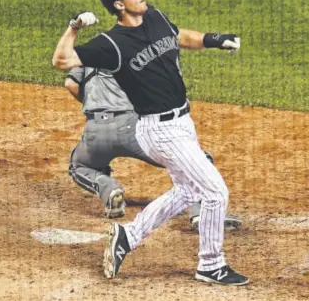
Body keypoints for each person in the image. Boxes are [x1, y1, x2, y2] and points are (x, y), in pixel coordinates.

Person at [52, 0, 248, 285]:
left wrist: (213, 39)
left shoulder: (155, 17)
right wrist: (74, 27)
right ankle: (211, 264)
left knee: (188, 191)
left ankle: (127, 237)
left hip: (183, 123)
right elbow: (62, 61)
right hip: (158, 131)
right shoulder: (111, 44)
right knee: (215, 192)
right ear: (119, 4)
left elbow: (178, 36)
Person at [65, 66, 241, 231]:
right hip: (133, 127)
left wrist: (96, 105)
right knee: (195, 160)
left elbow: (71, 84)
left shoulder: (90, 50)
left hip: (96, 130)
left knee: (80, 165)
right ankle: (202, 214)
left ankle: (108, 189)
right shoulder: (135, 49)